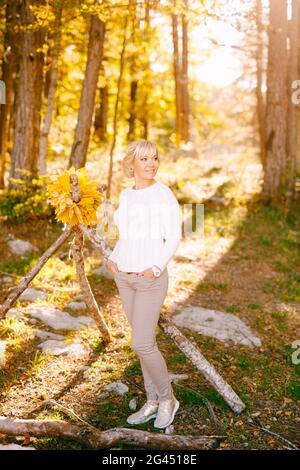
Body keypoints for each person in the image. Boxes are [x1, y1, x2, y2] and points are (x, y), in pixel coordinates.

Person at [104, 139, 182, 429]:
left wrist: (155, 267)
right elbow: (127, 235)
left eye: (155, 158)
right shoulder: (127, 195)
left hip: (150, 279)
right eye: (144, 159)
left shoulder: (163, 195)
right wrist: (114, 257)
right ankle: (151, 402)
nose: (151, 164)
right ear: (132, 164)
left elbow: (173, 236)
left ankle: (168, 399)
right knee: (141, 344)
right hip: (124, 277)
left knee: (142, 342)